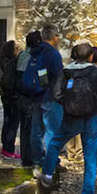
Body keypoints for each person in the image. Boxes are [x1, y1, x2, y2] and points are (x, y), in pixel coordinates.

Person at [38, 42, 97, 194]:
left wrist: (67, 106)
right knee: (90, 156)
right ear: (91, 56)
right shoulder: (96, 71)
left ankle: (47, 175)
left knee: (54, 144)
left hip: (71, 118)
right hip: (92, 117)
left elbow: (56, 93)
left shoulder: (66, 71)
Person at [23, 24, 63, 177]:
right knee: (52, 131)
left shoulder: (35, 52)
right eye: (58, 35)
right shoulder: (53, 54)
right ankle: (51, 162)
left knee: (36, 130)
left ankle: (37, 161)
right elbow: (59, 76)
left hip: (36, 96)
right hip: (50, 97)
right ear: (54, 37)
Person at [16, 30, 42, 167]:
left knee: (25, 129)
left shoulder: (22, 56)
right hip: (31, 96)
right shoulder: (35, 57)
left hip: (21, 97)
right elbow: (42, 78)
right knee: (33, 128)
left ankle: (26, 157)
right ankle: (33, 157)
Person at [0, 40, 21, 159]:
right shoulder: (13, 63)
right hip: (13, 97)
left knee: (6, 121)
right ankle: (9, 148)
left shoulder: (2, 62)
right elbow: (10, 81)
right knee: (13, 123)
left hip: (5, 96)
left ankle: (4, 147)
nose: (19, 50)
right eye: (17, 48)